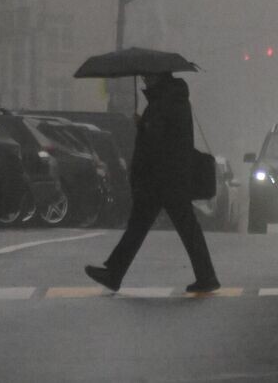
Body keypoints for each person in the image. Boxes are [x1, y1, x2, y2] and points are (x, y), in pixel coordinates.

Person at [86, 71, 220, 293]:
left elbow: (159, 138)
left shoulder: (165, 102)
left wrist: (143, 125)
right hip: (169, 176)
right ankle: (114, 273)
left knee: (149, 227)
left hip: (162, 177)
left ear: (160, 77)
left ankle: (114, 274)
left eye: (148, 77)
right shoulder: (173, 99)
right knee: (170, 227)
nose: (145, 80)